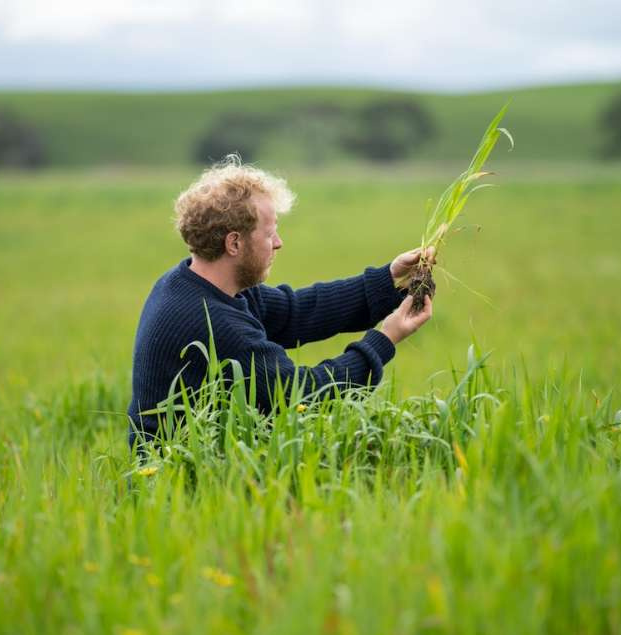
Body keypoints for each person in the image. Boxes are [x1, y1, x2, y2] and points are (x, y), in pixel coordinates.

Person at [127, 156, 433, 445]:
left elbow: (297, 312)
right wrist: (386, 339)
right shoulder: (214, 324)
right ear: (234, 243)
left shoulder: (192, 282)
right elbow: (306, 395)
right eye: (270, 233)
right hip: (174, 480)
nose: (278, 243)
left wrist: (387, 279)